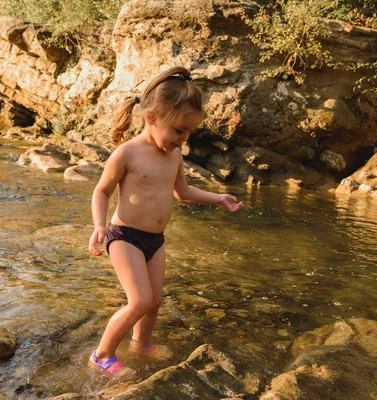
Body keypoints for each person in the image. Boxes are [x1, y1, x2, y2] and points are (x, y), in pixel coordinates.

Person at [87, 66, 243, 377]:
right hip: (125, 236)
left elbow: (182, 192)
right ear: (152, 118)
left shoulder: (174, 157)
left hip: (155, 240)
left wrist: (218, 197)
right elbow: (101, 190)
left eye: (188, 133)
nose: (183, 139)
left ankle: (140, 344)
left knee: (155, 301)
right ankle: (102, 355)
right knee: (139, 300)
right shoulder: (127, 153)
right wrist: (100, 226)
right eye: (178, 131)